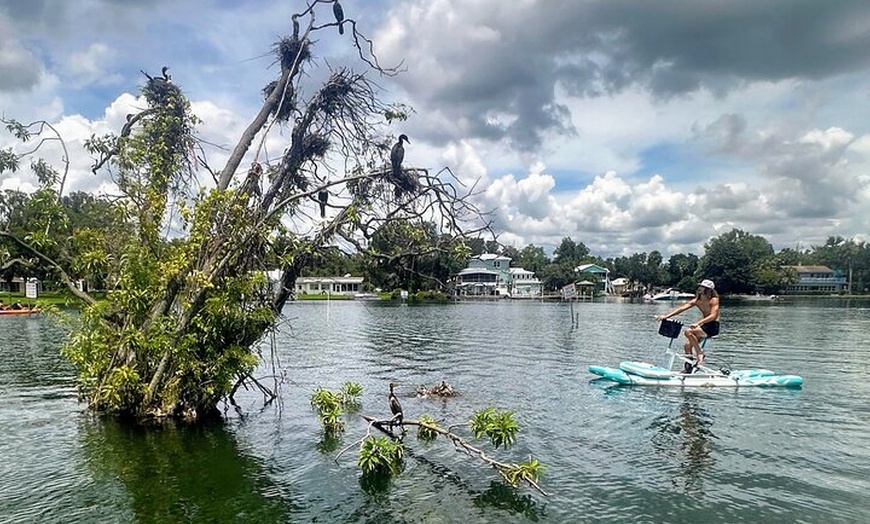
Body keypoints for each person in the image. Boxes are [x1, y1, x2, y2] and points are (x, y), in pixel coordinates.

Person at [656, 279, 720, 372]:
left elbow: (713, 316)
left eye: (702, 287)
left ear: (708, 289)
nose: (700, 288)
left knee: (688, 331)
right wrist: (666, 316)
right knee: (687, 346)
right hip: (703, 326)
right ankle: (689, 369)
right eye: (700, 286)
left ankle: (699, 353)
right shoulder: (697, 300)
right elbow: (682, 308)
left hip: (712, 326)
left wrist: (698, 323)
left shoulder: (714, 300)